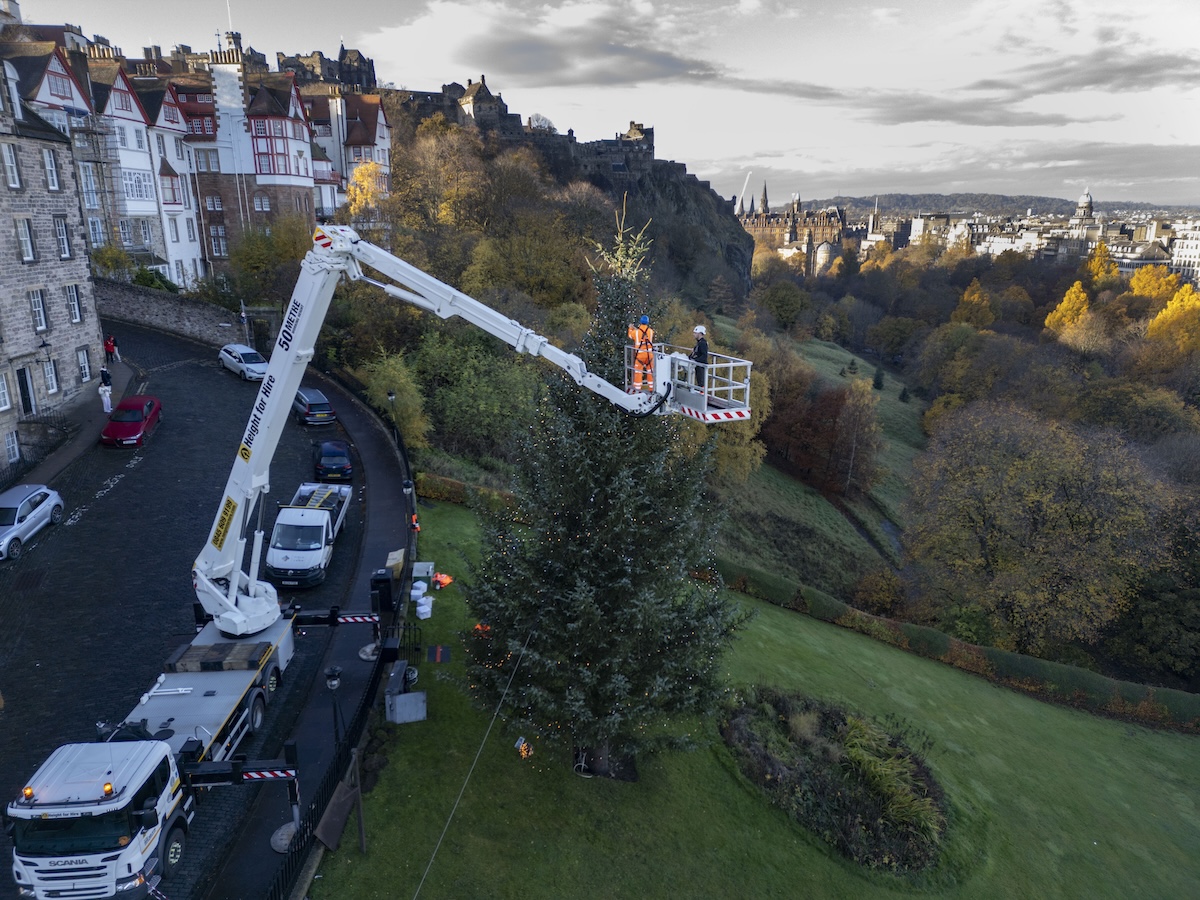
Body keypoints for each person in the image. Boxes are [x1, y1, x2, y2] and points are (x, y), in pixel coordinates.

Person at [627, 314, 655, 392]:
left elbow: (630, 335)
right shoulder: (650, 331)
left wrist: (630, 328)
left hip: (640, 356)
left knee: (638, 373)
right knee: (650, 372)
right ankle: (652, 388)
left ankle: (637, 389)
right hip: (649, 355)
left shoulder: (636, 332)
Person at [689, 325, 709, 392]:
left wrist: (695, 360)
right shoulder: (699, 343)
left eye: (695, 333)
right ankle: (701, 391)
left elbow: (704, 356)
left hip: (701, 366)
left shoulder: (703, 343)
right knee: (699, 381)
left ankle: (702, 393)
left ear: (700, 333)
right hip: (698, 365)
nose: (694, 334)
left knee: (701, 381)